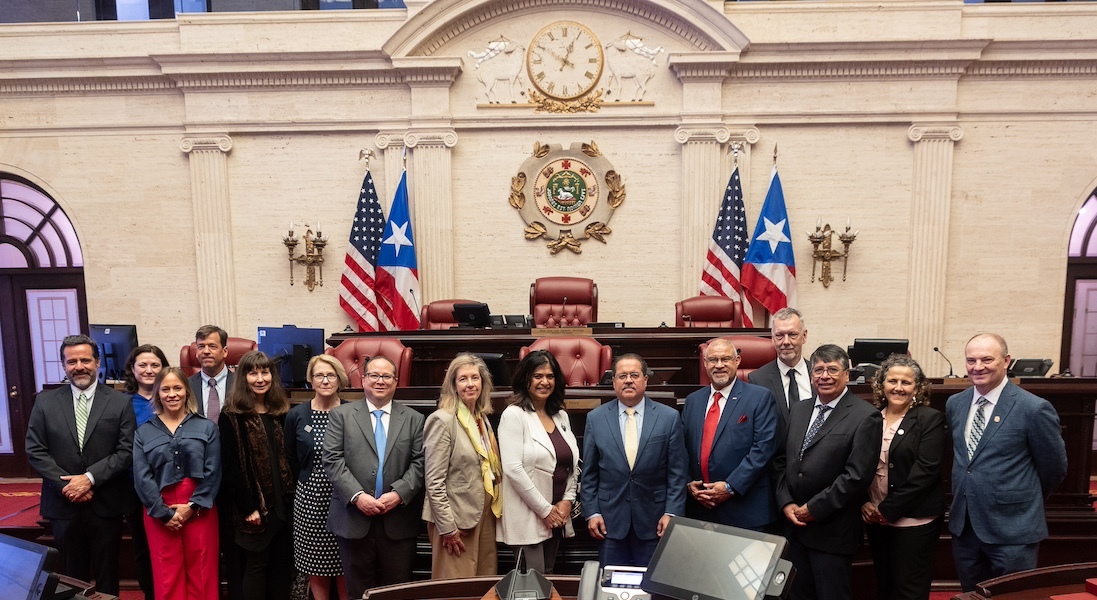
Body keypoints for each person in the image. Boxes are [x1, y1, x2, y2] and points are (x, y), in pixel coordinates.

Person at [947, 333, 1067, 592]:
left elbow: (1054, 467)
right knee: (971, 595)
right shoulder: (955, 404)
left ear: (1006, 361)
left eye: (987, 359)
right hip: (965, 528)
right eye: (971, 360)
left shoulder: (1033, 408)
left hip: (1013, 528)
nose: (978, 367)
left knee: (1014, 597)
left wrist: (1021, 499)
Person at [24, 334, 137, 595]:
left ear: (97, 362)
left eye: (85, 359)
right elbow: (35, 449)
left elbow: (126, 449)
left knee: (108, 573)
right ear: (63, 365)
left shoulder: (120, 402)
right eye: (71, 361)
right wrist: (68, 485)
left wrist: (89, 478)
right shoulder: (45, 401)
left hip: (106, 501)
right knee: (71, 577)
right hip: (63, 503)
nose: (79, 366)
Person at [773, 344, 882, 600]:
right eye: (818, 369)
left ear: (847, 374)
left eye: (832, 369)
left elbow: (856, 477)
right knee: (795, 594)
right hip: (793, 528)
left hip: (831, 532)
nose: (824, 376)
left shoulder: (866, 416)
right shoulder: (799, 409)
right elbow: (780, 460)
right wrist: (786, 502)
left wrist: (814, 509)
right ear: (811, 375)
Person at [323, 356, 424, 600]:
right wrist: (358, 497)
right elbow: (332, 460)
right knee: (359, 593)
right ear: (364, 379)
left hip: (397, 519)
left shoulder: (414, 419)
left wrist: (398, 494)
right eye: (374, 376)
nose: (380, 381)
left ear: (396, 381)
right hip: (353, 518)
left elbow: (420, 463)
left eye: (386, 376)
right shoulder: (341, 415)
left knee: (398, 592)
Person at [581, 353, 688, 567]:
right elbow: (589, 474)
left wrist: (672, 512)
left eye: (634, 375)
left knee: (651, 588)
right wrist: (591, 512)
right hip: (609, 523)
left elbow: (677, 473)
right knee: (610, 587)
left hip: (655, 521)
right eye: (622, 376)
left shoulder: (668, 418)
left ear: (645, 380)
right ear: (613, 382)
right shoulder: (596, 418)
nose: (628, 380)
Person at [860, 355, 945, 600]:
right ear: (881, 384)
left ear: (917, 387)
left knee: (908, 591)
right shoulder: (871, 417)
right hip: (875, 518)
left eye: (906, 382)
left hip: (914, 521)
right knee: (884, 585)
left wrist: (887, 509)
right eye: (892, 381)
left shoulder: (929, 419)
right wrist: (864, 503)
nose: (898, 387)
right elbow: (856, 466)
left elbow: (926, 472)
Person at [132, 367, 221, 600]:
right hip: (159, 509)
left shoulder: (206, 427)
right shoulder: (144, 432)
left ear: (187, 392)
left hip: (199, 507)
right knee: (166, 573)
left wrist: (192, 506)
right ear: (158, 394)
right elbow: (142, 476)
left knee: (202, 572)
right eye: (166, 389)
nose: (172, 394)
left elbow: (213, 471)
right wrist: (163, 513)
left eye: (178, 388)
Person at [218, 350, 295, 600]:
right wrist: (247, 507)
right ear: (243, 378)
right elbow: (230, 468)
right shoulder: (231, 415)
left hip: (282, 508)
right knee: (256, 566)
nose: (260, 378)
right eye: (253, 373)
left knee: (281, 567)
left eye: (265, 372)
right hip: (253, 509)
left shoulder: (281, 412)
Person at [497, 350, 579, 574]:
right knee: (531, 583)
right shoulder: (514, 415)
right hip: (529, 515)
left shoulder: (560, 415)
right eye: (538, 376)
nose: (545, 382)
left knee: (548, 578)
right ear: (526, 379)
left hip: (557, 515)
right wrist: (545, 510)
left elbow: (572, 463)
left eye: (550, 376)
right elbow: (513, 469)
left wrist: (567, 501)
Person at [683, 338, 778, 531]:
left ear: (737, 361)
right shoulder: (693, 401)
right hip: (701, 510)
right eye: (713, 360)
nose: (719, 365)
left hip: (745, 509)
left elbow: (763, 449)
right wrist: (688, 483)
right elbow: (681, 449)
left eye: (726, 359)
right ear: (705, 364)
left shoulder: (760, 397)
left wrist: (730, 487)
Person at [424, 354, 504, 579]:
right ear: (453, 385)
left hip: (484, 514)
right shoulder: (442, 420)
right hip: (455, 520)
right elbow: (433, 481)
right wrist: (447, 527)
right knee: (455, 587)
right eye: (463, 379)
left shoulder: (481, 418)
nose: (470, 384)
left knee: (484, 582)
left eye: (475, 378)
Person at [285, 355, 349, 600]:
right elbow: (290, 456)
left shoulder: (350, 412)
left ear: (339, 379)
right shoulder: (297, 415)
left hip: (344, 500)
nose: (325, 380)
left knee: (344, 565)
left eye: (330, 375)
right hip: (310, 502)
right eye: (319, 375)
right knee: (316, 567)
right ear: (310, 380)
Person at [121, 344, 170, 600]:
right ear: (132, 369)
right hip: (137, 488)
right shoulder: (122, 404)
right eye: (143, 365)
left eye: (155, 365)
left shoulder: (175, 397)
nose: (149, 370)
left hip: (174, 487)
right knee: (143, 548)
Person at [748, 307, 812, 439]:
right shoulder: (758, 380)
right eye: (779, 335)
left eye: (792, 334)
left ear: (804, 336)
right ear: (772, 338)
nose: (786, 342)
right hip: (777, 458)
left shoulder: (820, 374)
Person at [189, 325, 235, 422]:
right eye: (201, 347)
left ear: (225, 352)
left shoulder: (241, 384)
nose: (206, 351)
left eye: (212, 346)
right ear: (196, 352)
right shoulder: (186, 386)